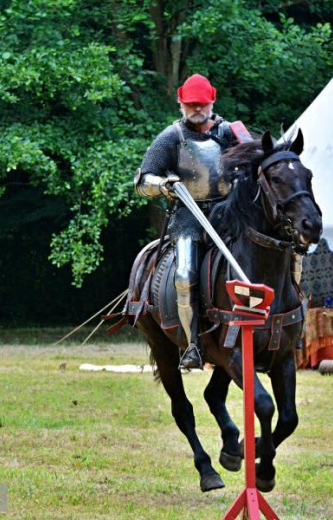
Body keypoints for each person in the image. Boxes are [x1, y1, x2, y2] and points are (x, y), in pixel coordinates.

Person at [134, 74, 242, 369]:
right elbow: (142, 181)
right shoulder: (171, 137)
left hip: (228, 214)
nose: (197, 109)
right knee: (184, 273)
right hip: (188, 216)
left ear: (212, 101)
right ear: (181, 103)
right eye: (191, 104)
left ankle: (278, 329)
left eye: (202, 104)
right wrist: (163, 185)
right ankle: (192, 344)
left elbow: (255, 161)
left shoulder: (231, 132)